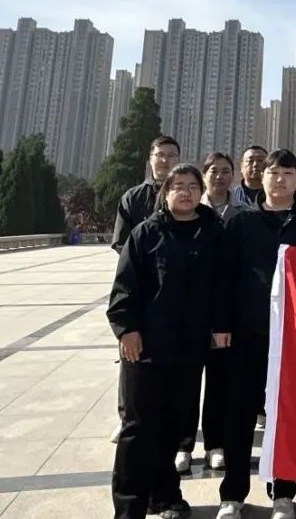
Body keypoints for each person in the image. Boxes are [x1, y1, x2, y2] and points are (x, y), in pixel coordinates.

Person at [215, 150, 296, 519]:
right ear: (263, 177)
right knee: (240, 413)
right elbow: (224, 277)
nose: (279, 179)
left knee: (288, 413)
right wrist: (221, 325)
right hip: (248, 332)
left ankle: (283, 492)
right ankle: (232, 494)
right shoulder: (242, 222)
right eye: (273, 172)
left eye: (288, 173)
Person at [107, 164, 224, 519]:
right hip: (146, 347)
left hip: (190, 347)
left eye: (192, 186)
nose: (185, 192)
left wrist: (220, 327)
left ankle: (165, 495)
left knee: (173, 425)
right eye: (178, 186)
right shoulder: (146, 233)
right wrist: (127, 330)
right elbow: (124, 287)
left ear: (201, 192)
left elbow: (224, 287)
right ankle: (129, 507)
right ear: (166, 192)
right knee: (137, 427)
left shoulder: (214, 233)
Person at [174, 153, 248, 475]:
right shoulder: (188, 213)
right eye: (213, 171)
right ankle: (183, 444)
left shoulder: (241, 216)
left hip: (222, 315)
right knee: (186, 383)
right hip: (188, 316)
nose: (219, 176)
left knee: (219, 383)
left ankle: (215, 444)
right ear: (204, 176)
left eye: (225, 171)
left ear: (233, 176)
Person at [111, 136, 181, 444]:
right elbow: (121, 242)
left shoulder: (186, 194)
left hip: (176, 292)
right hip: (140, 290)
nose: (165, 160)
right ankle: (127, 417)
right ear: (150, 159)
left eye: (171, 155)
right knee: (132, 356)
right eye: (160, 155)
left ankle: (173, 423)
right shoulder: (133, 197)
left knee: (175, 360)